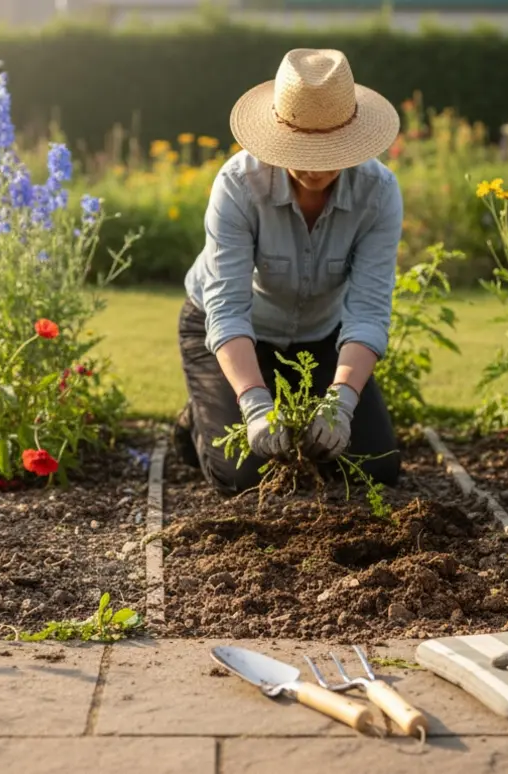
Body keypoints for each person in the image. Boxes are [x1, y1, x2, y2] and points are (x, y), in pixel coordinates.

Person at [172, 48, 404, 495]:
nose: (316, 165)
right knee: (243, 477)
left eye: (330, 149)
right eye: (304, 149)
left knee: (377, 468)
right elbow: (227, 309)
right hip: (237, 332)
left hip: (319, 336)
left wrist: (341, 400)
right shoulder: (238, 186)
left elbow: (369, 311)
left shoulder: (379, 193)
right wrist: (255, 403)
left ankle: (266, 400)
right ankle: (196, 418)